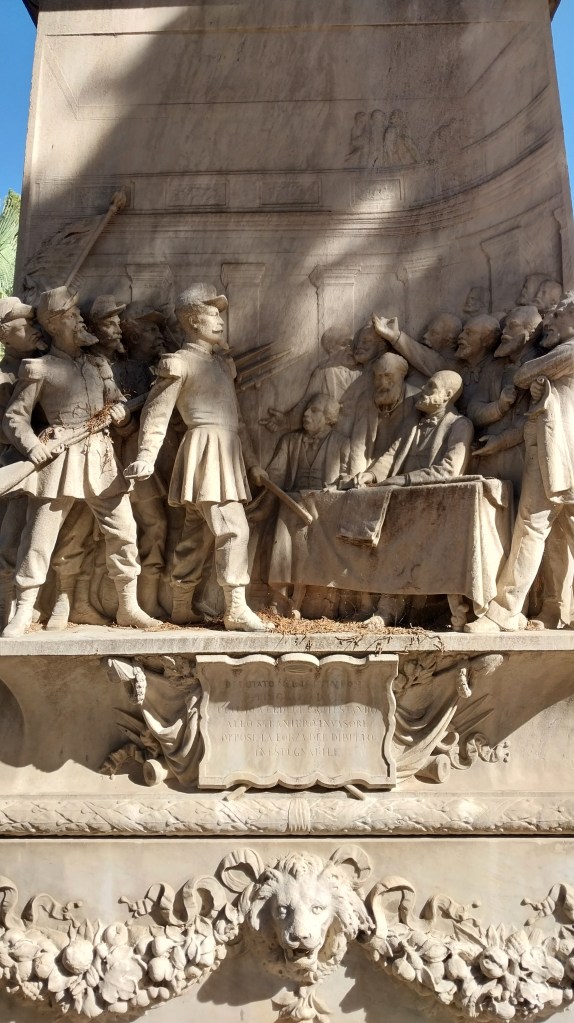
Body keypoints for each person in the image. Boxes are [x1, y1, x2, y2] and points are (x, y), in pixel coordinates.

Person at [2, 286, 156, 637]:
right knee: (39, 538)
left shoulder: (98, 366)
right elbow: (14, 417)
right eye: (71, 316)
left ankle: (128, 605)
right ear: (54, 324)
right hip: (58, 459)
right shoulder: (38, 368)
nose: (79, 321)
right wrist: (32, 447)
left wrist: (122, 418)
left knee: (124, 532)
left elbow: (119, 412)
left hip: (100, 458)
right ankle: (23, 610)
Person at [125, 283, 274, 632]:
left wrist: (252, 463)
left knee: (197, 535)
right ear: (192, 321)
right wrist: (146, 455)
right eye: (212, 314)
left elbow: (238, 421)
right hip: (205, 452)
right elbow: (156, 414)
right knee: (234, 529)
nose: (220, 321)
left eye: (220, 314)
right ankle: (236, 608)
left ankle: (180, 605)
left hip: (226, 452)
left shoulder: (223, 366)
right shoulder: (177, 363)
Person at [466, 293, 574, 633]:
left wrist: (537, 380)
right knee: (555, 533)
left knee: (533, 526)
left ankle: (505, 612)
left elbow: (525, 373)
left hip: (560, 456)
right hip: (554, 454)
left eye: (555, 316)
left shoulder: (569, 352)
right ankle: (554, 610)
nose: (547, 324)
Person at [0, 298, 45, 627]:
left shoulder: (45, 364)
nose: (33, 329)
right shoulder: (3, 377)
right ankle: (6, 610)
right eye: (24, 325)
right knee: (10, 540)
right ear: (4, 334)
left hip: (45, 466)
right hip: (11, 467)